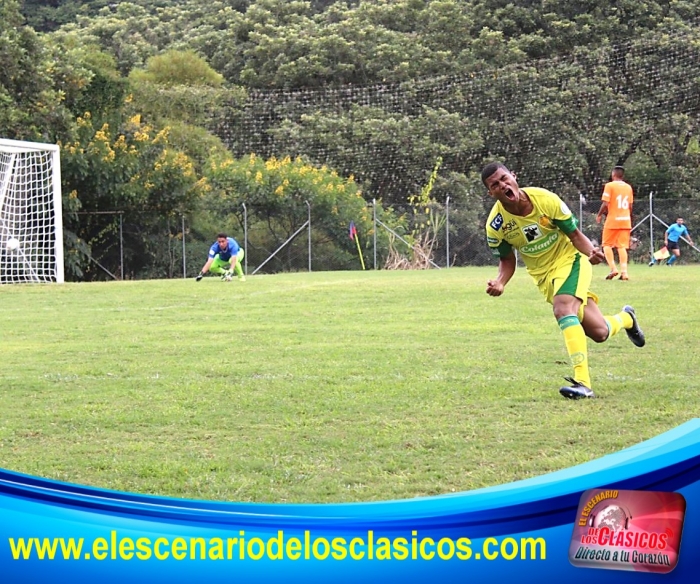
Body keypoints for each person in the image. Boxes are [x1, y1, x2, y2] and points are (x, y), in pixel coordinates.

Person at [482, 162, 645, 399]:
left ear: (514, 176)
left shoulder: (546, 200)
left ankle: (583, 383)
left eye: (504, 178)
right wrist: (500, 282)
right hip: (544, 277)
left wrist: (591, 252)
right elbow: (508, 260)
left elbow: (575, 235)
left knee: (562, 309)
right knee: (599, 332)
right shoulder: (496, 225)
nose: (502, 185)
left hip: (571, 260)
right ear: (491, 193)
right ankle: (627, 318)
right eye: (495, 185)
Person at [596, 166, 634, 280]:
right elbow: (630, 206)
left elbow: (605, 203)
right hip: (625, 220)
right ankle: (624, 272)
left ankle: (613, 269)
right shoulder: (628, 187)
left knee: (606, 244)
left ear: (613, 175)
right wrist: (627, 216)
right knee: (622, 247)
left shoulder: (610, 186)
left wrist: (599, 215)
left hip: (613, 220)